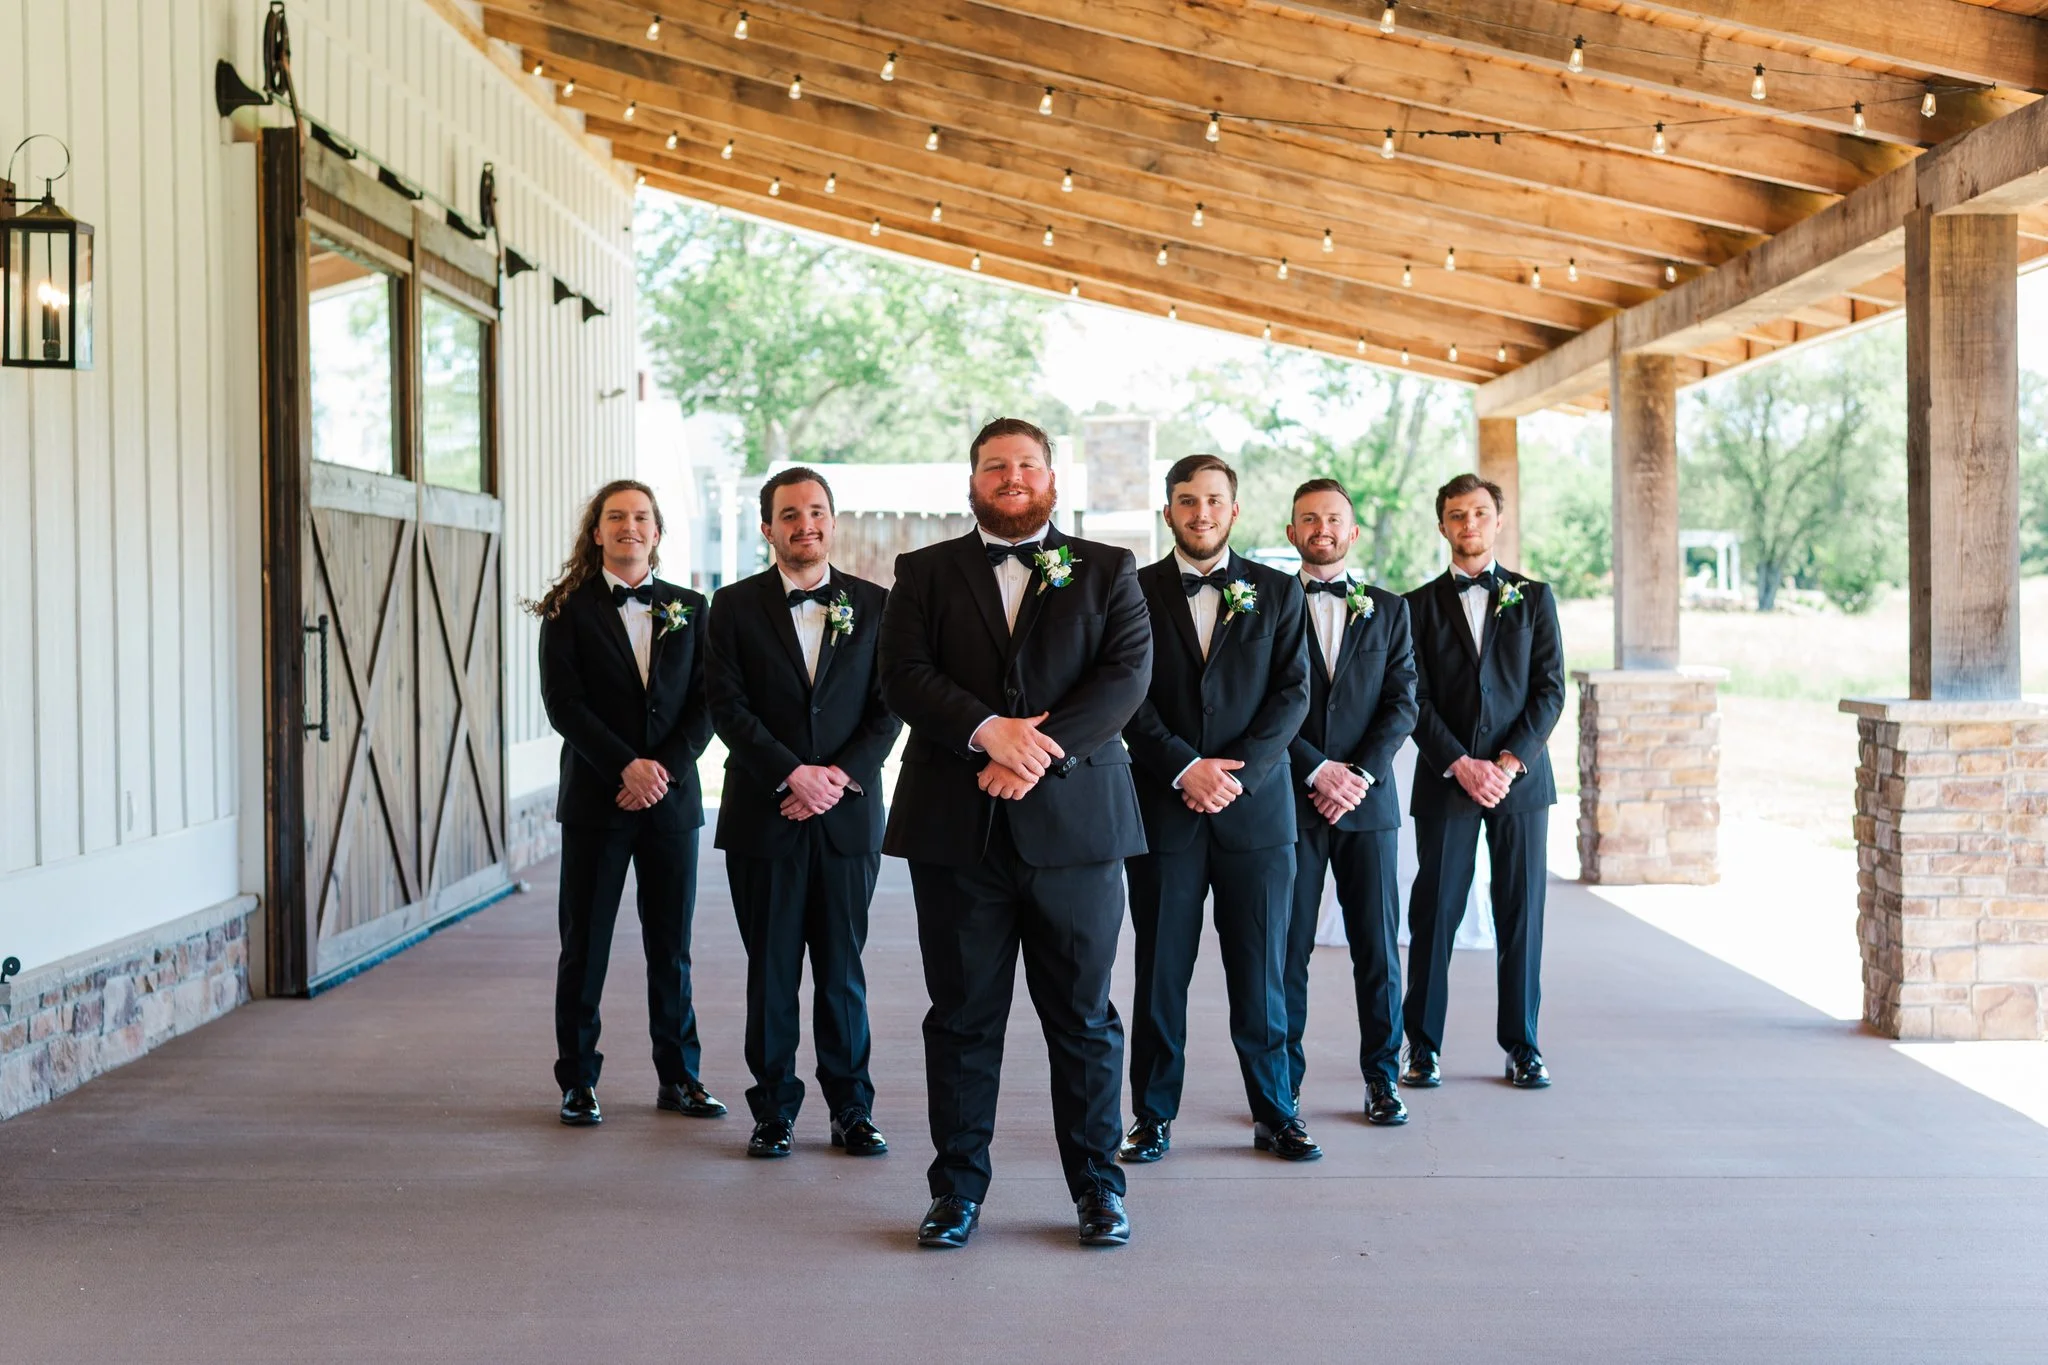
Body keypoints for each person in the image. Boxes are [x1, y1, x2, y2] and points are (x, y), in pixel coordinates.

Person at [879, 417, 1152, 1250]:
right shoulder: (922, 571)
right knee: (962, 1017)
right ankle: (956, 1192)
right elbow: (903, 676)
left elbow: (1126, 676)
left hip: (1075, 831)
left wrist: (1034, 750)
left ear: (1051, 477)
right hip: (957, 832)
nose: (1011, 477)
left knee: (1084, 1017)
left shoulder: (1109, 569)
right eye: (995, 466)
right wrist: (987, 729)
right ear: (972, 480)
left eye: (1026, 464)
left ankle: (1099, 1191)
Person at [1121, 455, 1317, 1165]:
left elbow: (1293, 694)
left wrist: (1238, 774)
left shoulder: (1276, 590)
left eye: (1212, 500)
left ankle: (1276, 1111)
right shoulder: (1133, 590)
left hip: (1256, 815)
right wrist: (1182, 765)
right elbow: (1124, 691)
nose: (1199, 512)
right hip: (1164, 811)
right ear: (1166, 511)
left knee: (1262, 970)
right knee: (1159, 972)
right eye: (1185, 500)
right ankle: (1151, 1115)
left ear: (1235, 511)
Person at [705, 468, 901, 1161]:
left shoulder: (878, 606)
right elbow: (727, 705)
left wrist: (837, 777)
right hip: (765, 814)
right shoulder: (729, 607)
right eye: (789, 514)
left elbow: (890, 707)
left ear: (832, 520)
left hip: (848, 818)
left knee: (843, 968)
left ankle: (853, 1108)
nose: (805, 525)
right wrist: (791, 773)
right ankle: (774, 1110)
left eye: (816, 512)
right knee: (772, 969)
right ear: (767, 528)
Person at [532, 479, 723, 1127]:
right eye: (616, 517)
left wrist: (661, 770)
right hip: (597, 798)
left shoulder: (692, 607)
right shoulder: (568, 609)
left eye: (641, 516)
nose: (629, 526)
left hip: (671, 803)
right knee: (584, 944)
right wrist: (625, 766)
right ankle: (578, 1080)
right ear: (597, 531)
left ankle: (680, 1077)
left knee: (671, 945)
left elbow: (707, 703)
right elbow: (565, 705)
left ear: (658, 532)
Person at [1401, 473, 1565, 1091]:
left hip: (1520, 783)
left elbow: (1550, 690)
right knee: (1435, 914)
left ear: (1498, 520)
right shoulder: (1413, 606)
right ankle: (1421, 1047)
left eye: (1479, 513)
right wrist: (1459, 762)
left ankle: (1523, 1046)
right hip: (1447, 780)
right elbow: (1409, 695)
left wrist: (1506, 763)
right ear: (1442, 525)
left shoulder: (1535, 597)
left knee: (1521, 914)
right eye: (1455, 515)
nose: (1468, 524)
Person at [1281, 478, 1418, 1127]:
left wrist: (1357, 773)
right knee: (1286, 947)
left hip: (1369, 803)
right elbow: (1260, 701)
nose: (1323, 528)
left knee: (1378, 946)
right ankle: (1283, 1083)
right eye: (1309, 519)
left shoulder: (1389, 609)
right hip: (1289, 799)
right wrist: (1316, 769)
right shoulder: (1268, 604)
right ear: (1291, 531)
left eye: (1334, 518)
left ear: (1353, 531)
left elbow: (1402, 702)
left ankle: (1383, 1077)